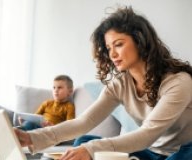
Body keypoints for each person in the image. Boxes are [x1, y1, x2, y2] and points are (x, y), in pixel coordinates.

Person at [14, 6, 192, 160]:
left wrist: (92, 150)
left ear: (140, 42)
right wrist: (32, 137)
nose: (112, 54)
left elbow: (147, 134)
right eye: (108, 48)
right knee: (83, 142)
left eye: (119, 44)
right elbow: (84, 122)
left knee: (90, 148)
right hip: (152, 151)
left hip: (184, 150)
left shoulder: (178, 82)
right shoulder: (120, 84)